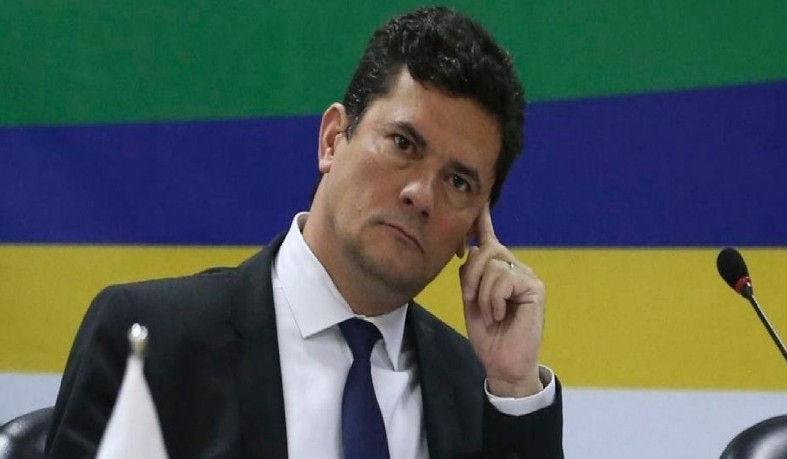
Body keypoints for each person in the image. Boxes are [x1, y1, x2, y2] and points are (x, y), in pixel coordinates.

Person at [45, 6, 563, 458]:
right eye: (404, 144)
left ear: (476, 225)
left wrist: (514, 386)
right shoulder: (154, 341)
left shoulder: (479, 393)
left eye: (457, 181)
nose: (421, 195)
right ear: (333, 139)